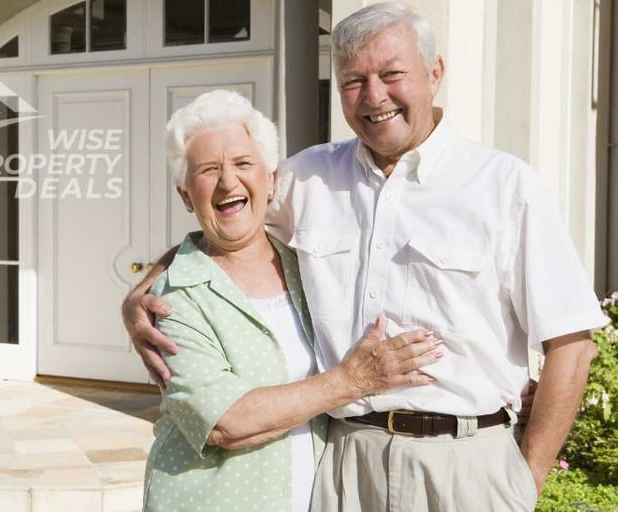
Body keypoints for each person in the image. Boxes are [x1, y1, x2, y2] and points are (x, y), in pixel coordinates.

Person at [125, 3, 609, 511]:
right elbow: (226, 215)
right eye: (353, 80)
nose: (374, 96)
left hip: (466, 464)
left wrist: (525, 476)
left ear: (435, 72)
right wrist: (145, 290)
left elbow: (571, 345)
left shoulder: (506, 186)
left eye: (392, 74)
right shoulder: (307, 178)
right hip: (344, 462)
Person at [140, 89, 443, 512]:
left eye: (243, 163)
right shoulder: (173, 298)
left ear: (271, 179)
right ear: (186, 195)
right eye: (208, 170)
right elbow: (227, 423)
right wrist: (352, 380)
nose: (229, 182)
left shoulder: (306, 266)